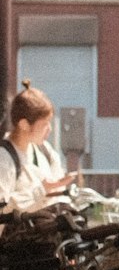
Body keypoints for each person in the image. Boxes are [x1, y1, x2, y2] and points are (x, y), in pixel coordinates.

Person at [0, 82, 72, 213]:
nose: (49, 129)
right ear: (24, 124)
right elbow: (2, 208)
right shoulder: (4, 159)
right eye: (45, 124)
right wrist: (41, 190)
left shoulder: (46, 151)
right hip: (19, 233)